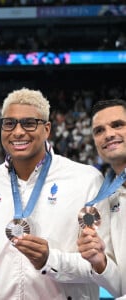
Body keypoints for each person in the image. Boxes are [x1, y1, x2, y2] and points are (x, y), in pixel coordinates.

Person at [0, 87, 119, 299]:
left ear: (47, 129)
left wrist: (50, 260)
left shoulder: (86, 179)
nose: (17, 132)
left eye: (29, 123)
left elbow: (103, 267)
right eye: (9, 123)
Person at [78, 99, 126, 298]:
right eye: (99, 130)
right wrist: (100, 263)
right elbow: (119, 287)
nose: (109, 134)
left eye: (118, 125)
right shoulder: (109, 196)